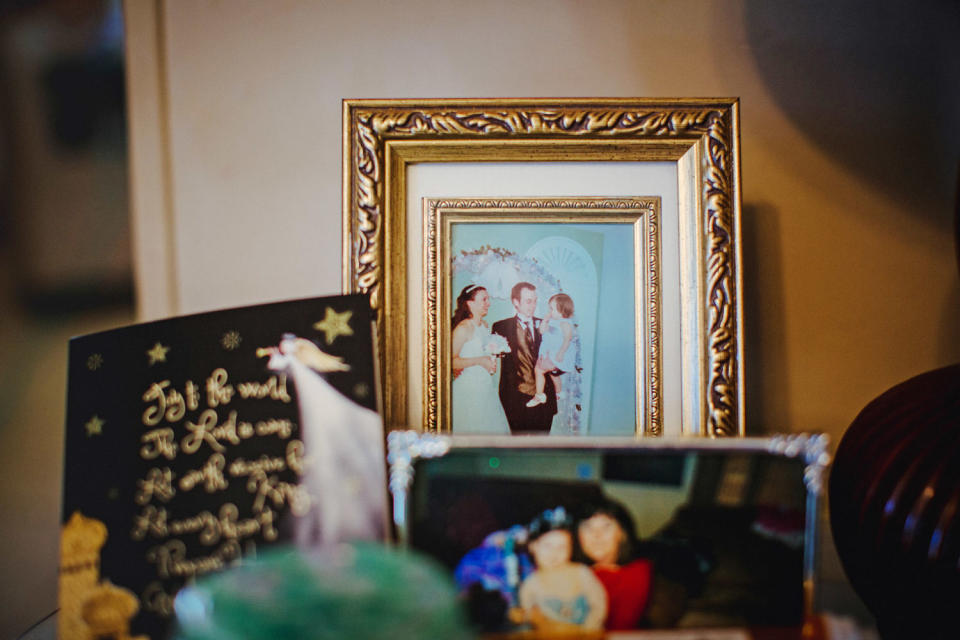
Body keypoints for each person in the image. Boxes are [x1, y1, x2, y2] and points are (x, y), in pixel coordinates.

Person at [512, 507, 607, 632]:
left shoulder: (582, 573)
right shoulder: (531, 584)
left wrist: (588, 630)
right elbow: (527, 618)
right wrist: (522, 617)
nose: (554, 553)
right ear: (533, 547)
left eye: (562, 547)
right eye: (548, 546)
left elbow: (599, 604)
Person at [575, 499, 654, 630]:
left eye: (606, 526)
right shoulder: (574, 570)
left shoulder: (636, 572)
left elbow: (620, 629)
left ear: (622, 534)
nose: (596, 535)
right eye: (587, 527)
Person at [491, 282, 557, 433]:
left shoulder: (546, 325)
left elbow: (557, 357)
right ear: (515, 302)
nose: (533, 305)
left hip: (544, 397)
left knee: (540, 446)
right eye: (528, 301)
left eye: (535, 301)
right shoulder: (500, 327)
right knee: (518, 446)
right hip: (515, 399)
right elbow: (493, 357)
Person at [451, 285, 510, 434]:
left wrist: (491, 360)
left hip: (485, 388)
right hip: (468, 390)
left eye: (488, 299)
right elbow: (450, 361)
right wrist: (480, 361)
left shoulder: (484, 325)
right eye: (484, 299)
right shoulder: (463, 328)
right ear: (470, 303)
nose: (488, 303)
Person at [527, 293, 577, 408]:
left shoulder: (565, 324)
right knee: (553, 374)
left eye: (552, 309)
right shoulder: (553, 321)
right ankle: (559, 392)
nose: (549, 311)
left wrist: (560, 353)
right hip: (549, 352)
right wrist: (545, 320)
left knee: (539, 370)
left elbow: (567, 340)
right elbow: (542, 331)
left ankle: (539, 395)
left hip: (556, 354)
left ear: (561, 310)